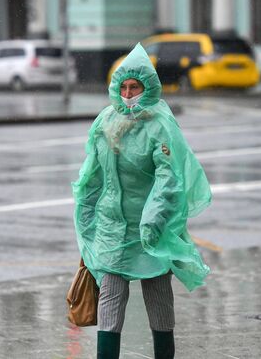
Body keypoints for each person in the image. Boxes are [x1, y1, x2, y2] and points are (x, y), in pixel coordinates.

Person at [72, 43, 212, 359]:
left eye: (135, 86)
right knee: (109, 298)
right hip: (112, 228)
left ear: (148, 86)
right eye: (123, 86)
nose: (128, 92)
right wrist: (85, 216)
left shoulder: (159, 125)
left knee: (158, 297)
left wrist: (154, 220)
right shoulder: (106, 122)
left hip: (150, 230)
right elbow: (92, 175)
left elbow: (169, 180)